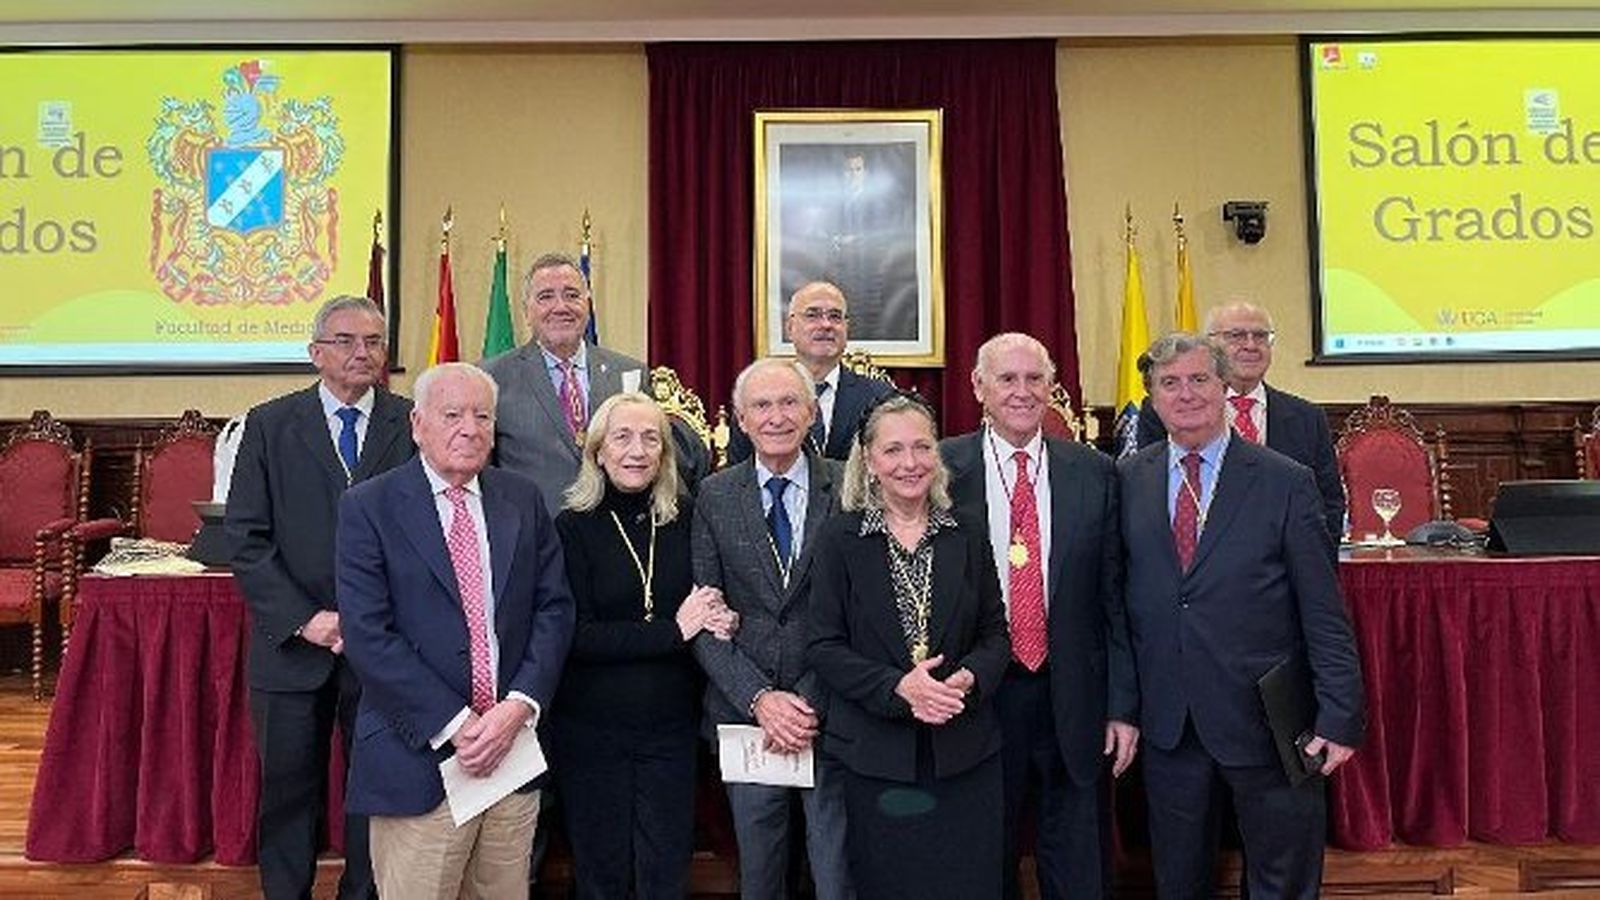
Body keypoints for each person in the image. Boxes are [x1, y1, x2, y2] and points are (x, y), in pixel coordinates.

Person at [1120, 333, 1365, 899]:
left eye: (1200, 379)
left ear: (1226, 387)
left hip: (1269, 719)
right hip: (1169, 721)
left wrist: (1338, 714)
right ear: (1152, 399)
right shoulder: (1130, 479)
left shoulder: (1286, 481)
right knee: (1178, 882)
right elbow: (1122, 604)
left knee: (1282, 882)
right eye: (1170, 383)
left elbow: (1323, 610)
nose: (1186, 395)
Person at [336, 362, 575, 898]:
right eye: (452, 415)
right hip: (418, 756)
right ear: (418, 424)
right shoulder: (369, 506)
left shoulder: (522, 498)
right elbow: (369, 634)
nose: (469, 428)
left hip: (511, 754)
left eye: (482, 416)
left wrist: (518, 707)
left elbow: (554, 609)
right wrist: (458, 724)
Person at [226, 294, 412, 900]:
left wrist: (371, 622)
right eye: (346, 341)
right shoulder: (269, 423)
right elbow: (246, 539)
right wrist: (308, 620)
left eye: (374, 343)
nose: (362, 353)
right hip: (292, 647)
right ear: (314, 353)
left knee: (375, 786)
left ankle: (364, 892)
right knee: (287, 788)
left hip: (385, 647)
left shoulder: (411, 423)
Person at [942, 333, 1138, 900]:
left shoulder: (1095, 472)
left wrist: (1122, 706)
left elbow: (1114, 598)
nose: (1023, 392)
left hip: (1073, 693)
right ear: (978, 387)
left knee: (1078, 865)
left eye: (1035, 379)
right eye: (1007, 379)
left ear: (1052, 386)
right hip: (980, 695)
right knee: (982, 861)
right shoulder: (940, 470)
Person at [807, 392, 1011, 900]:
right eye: (894, 450)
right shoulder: (839, 538)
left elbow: (995, 635)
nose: (910, 463)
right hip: (877, 757)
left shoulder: (967, 530)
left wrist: (969, 679)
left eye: (922, 448)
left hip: (965, 752)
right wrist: (899, 687)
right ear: (871, 461)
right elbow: (823, 644)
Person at [551, 391, 735, 900]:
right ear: (598, 452)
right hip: (591, 729)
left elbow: (709, 601)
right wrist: (673, 632)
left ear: (665, 454)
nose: (637, 450)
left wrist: (720, 615)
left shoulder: (688, 517)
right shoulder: (571, 526)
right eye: (622, 437)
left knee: (665, 871)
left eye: (650, 438)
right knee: (601, 872)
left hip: (671, 728)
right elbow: (578, 635)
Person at [692, 357, 855, 900]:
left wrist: (805, 702)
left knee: (837, 874)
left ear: (811, 413)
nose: (777, 416)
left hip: (828, 711)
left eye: (790, 403)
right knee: (760, 878)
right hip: (747, 719)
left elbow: (863, 612)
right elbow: (704, 619)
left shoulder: (850, 487)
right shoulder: (714, 496)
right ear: (740, 419)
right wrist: (762, 699)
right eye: (762, 405)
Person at [1137, 301, 1345, 542]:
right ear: (1208, 346)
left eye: (1260, 336)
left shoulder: (1307, 417)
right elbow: (1150, 498)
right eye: (1236, 336)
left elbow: (1330, 504)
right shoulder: (1169, 411)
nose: (1250, 345)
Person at [480, 252, 648, 509]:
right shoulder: (491, 378)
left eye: (572, 295)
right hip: (532, 536)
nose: (561, 307)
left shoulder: (629, 373)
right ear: (527, 311)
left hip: (613, 534)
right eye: (546, 297)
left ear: (587, 304)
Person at [728, 281, 894, 464]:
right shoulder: (756, 395)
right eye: (812, 315)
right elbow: (739, 477)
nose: (825, 324)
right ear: (790, 327)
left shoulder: (880, 397)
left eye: (835, 316)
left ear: (847, 328)